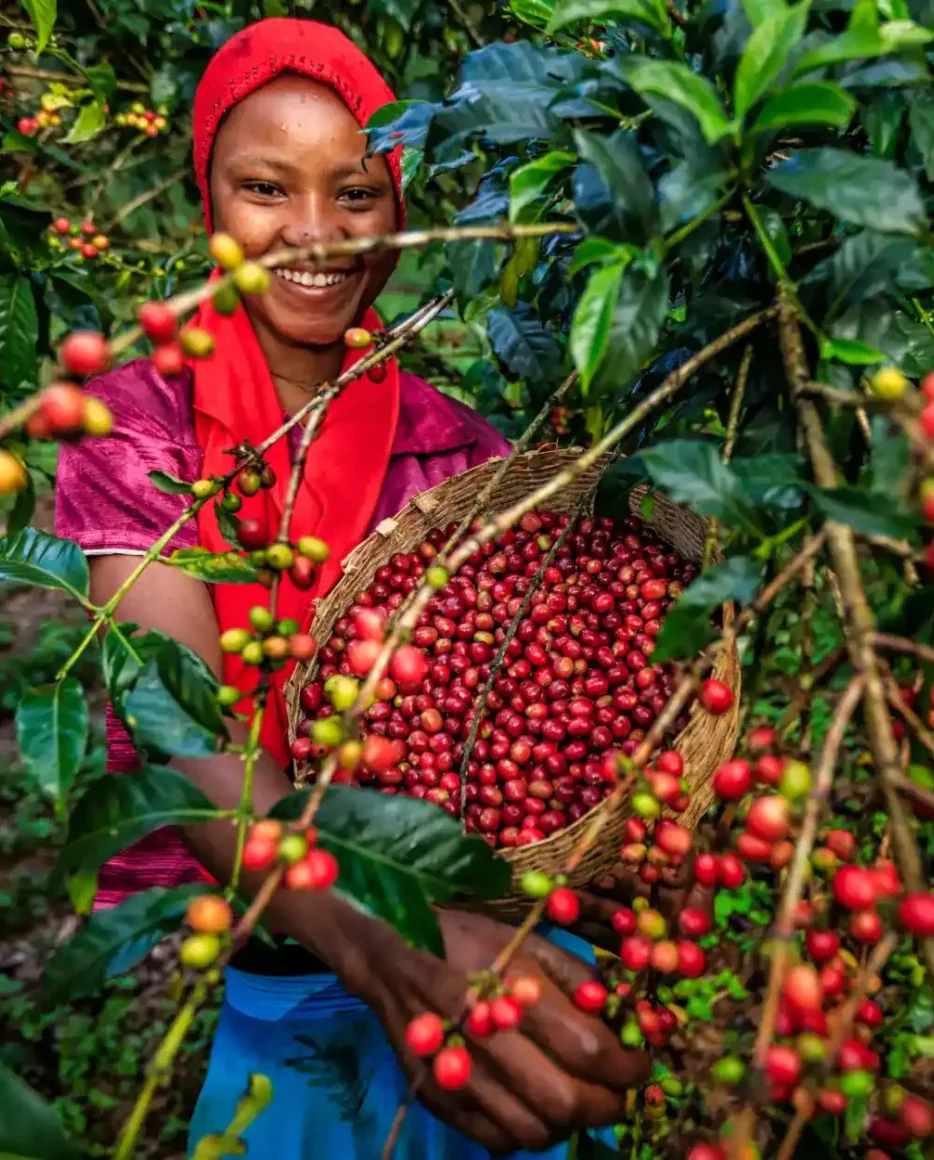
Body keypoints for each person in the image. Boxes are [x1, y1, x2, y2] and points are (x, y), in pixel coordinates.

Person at [55, 18, 646, 1159]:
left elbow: (506, 711)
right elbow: (184, 721)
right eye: (265, 188)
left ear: (402, 208)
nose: (314, 234)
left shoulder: (461, 452)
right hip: (292, 943)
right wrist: (379, 940)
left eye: (359, 194)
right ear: (208, 202)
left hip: (478, 926)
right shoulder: (136, 422)